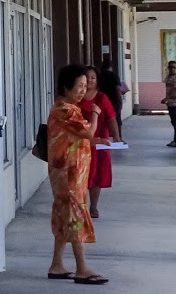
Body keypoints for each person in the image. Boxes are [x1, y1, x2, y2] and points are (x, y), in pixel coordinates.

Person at [47, 63, 110, 285]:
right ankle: (82, 268)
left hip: (72, 173)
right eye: (79, 86)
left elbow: (79, 137)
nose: (84, 90)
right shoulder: (65, 109)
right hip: (68, 173)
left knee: (65, 215)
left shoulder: (68, 108)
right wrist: (95, 114)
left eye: (85, 86)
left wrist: (98, 140)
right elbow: (87, 131)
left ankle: (57, 264)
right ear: (67, 86)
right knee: (74, 217)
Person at [83, 66, 121, 218]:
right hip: (82, 143)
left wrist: (116, 136)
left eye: (93, 77)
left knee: (97, 177)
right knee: (81, 176)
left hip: (100, 144)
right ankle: (81, 207)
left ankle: (93, 207)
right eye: (87, 77)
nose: (90, 80)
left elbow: (111, 118)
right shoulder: (76, 97)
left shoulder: (101, 98)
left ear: (97, 80)